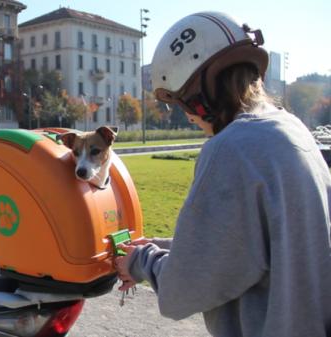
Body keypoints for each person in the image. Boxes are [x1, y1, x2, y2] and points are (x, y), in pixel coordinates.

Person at [114, 12, 331, 337]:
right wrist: (158, 247)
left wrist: (139, 261)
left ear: (200, 93)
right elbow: (251, 242)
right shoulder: (290, 129)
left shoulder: (233, 147)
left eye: (181, 101)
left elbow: (182, 291)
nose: (187, 116)